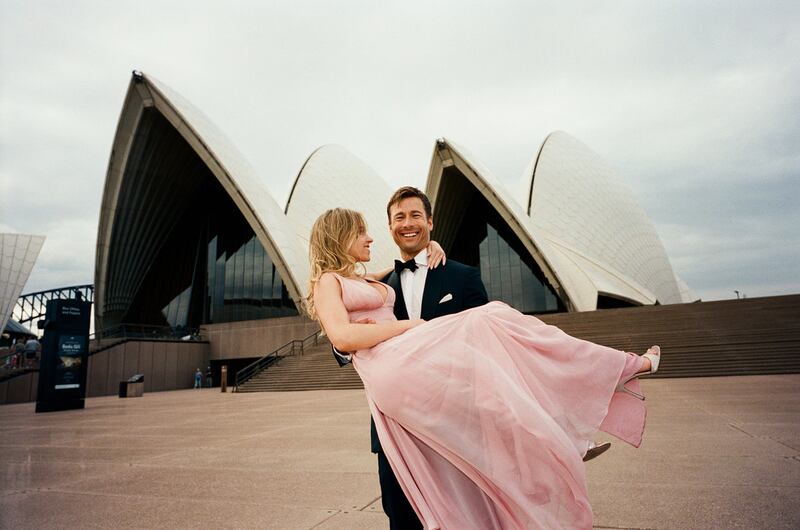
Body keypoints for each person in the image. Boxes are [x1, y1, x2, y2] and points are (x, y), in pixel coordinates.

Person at [308, 206, 661, 529]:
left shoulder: (377, 279)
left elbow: (392, 277)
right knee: (402, 513)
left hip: (417, 370)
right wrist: (408, 325)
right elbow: (340, 336)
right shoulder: (328, 282)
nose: (370, 238)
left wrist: (432, 251)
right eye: (361, 232)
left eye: (414, 216)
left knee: (494, 336)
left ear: (429, 223)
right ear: (339, 236)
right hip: (394, 370)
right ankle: (609, 382)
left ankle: (572, 422)